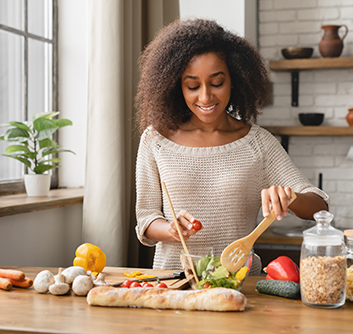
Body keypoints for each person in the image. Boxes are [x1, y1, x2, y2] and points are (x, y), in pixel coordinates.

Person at [134, 19, 329, 274]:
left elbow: (319, 206)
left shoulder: (257, 143)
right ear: (176, 85)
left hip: (241, 284)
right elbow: (145, 219)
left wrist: (289, 197)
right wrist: (170, 230)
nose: (205, 97)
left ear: (234, 79)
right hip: (174, 282)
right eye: (192, 86)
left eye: (217, 83)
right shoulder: (156, 139)